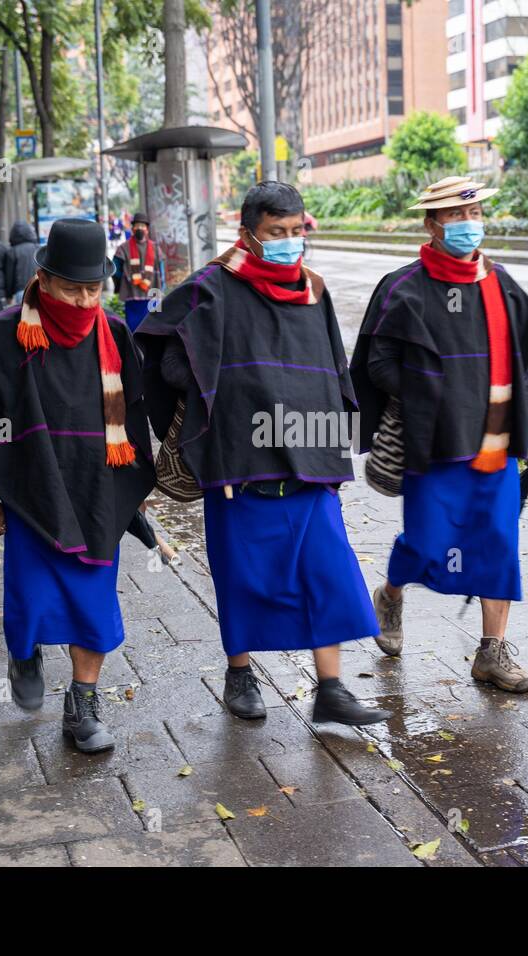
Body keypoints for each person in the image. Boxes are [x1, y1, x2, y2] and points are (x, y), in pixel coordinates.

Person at [136, 181, 390, 727]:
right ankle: (240, 673)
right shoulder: (211, 287)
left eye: (298, 231)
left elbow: (333, 367)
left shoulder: (312, 289)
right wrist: (214, 382)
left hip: (310, 455)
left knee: (327, 572)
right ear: (248, 233)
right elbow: (159, 355)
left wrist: (335, 435)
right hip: (239, 463)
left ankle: (332, 688)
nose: (290, 242)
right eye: (278, 233)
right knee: (243, 576)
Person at [350, 177, 528, 694]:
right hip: (433, 445)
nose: (468, 225)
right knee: (428, 544)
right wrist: (431, 395)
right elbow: (377, 364)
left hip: (494, 444)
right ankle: (392, 595)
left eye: (474, 215)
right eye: (454, 216)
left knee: (498, 544)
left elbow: (519, 365)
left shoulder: (501, 284)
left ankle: (491, 652)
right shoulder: (403, 289)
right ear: (431, 224)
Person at [0, 218, 156, 753]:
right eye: (72, 287)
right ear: (42, 278)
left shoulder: (113, 333)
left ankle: (83, 704)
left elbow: (133, 419)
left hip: (96, 493)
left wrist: (130, 493)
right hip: (29, 492)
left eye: (94, 288)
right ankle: (24, 652)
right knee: (31, 600)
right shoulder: (4, 334)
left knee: (94, 605)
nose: (85, 300)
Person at [111, 211, 165, 332]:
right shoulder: (123, 248)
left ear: (147, 229)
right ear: (132, 228)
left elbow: (161, 270)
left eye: (142, 226)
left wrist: (162, 286)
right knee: (134, 329)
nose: (140, 228)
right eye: (137, 226)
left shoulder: (156, 248)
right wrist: (120, 285)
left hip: (153, 294)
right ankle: (136, 350)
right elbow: (115, 269)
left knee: (155, 327)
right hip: (132, 295)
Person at [8, 220, 39, 305]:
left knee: (23, 316)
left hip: (21, 291)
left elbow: (9, 275)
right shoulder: (37, 248)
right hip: (38, 288)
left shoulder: (12, 252)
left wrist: (9, 295)